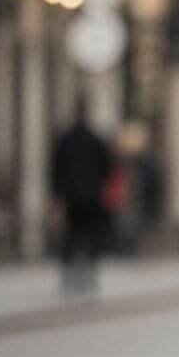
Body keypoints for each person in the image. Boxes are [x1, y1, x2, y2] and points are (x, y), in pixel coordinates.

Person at [49, 98, 113, 293]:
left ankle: (68, 273)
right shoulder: (96, 139)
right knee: (91, 234)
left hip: (71, 196)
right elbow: (107, 168)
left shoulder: (66, 139)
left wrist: (57, 193)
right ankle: (90, 272)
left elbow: (56, 168)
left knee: (71, 234)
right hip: (92, 195)